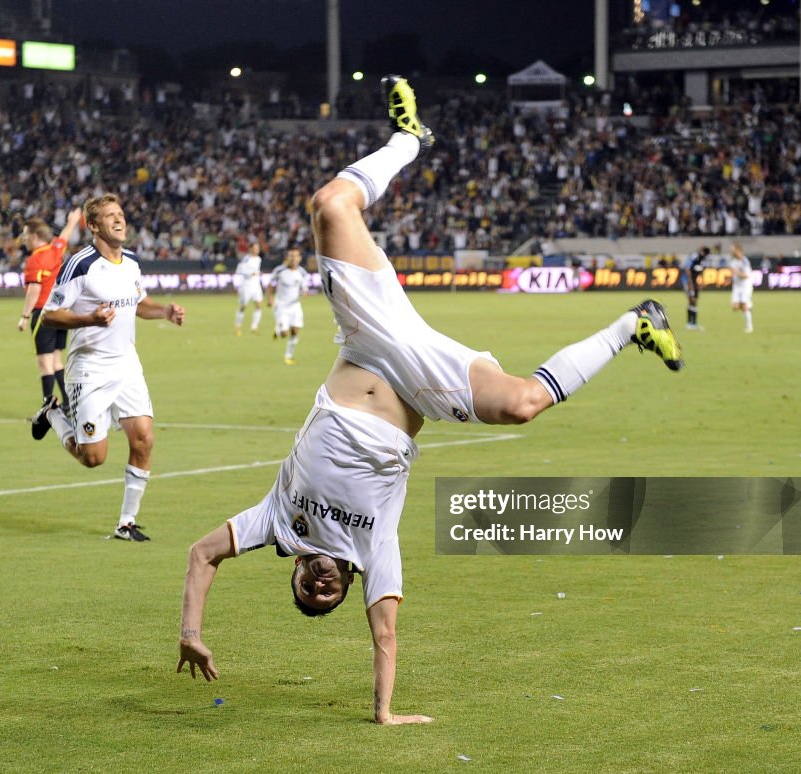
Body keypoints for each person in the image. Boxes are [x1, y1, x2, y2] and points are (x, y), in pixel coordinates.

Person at [176, 75, 684, 724]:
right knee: (525, 403)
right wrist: (384, 713)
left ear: (296, 573)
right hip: (423, 383)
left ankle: (407, 140)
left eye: (309, 590)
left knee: (329, 205)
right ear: (347, 589)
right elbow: (385, 636)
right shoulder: (373, 549)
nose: (322, 589)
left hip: (368, 342)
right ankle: (632, 325)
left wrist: (192, 629)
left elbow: (201, 555)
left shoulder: (276, 522)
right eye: (329, 599)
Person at [30, 194, 186, 542]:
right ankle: (53, 415)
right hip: (90, 368)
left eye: (121, 214)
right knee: (93, 458)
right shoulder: (80, 264)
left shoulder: (130, 261)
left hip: (126, 364)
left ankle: (126, 523)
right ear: (94, 225)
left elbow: (139, 302)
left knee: (144, 437)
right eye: (110, 216)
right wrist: (90, 319)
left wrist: (164, 312)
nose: (119, 220)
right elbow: (49, 315)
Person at [18, 207, 83, 415]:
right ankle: (68, 403)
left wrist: (24, 316)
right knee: (56, 360)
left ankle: (47, 407)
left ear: (35, 236)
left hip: (43, 314)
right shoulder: (55, 249)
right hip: (61, 311)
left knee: (44, 363)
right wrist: (73, 220)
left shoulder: (35, 260)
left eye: (26, 234)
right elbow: (64, 236)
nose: (23, 239)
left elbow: (34, 290)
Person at [267, 246, 310, 364]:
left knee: (295, 331)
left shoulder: (302, 272)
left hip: (295, 306)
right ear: (287, 257)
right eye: (291, 256)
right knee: (284, 334)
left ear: (299, 258)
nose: (293, 258)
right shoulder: (279, 270)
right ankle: (278, 329)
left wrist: (305, 292)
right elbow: (270, 285)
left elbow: (304, 287)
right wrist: (270, 299)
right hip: (281, 306)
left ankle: (289, 356)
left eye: (295, 256)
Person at [233, 242, 264, 335]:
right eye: (255, 247)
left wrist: (258, 273)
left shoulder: (259, 259)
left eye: (258, 247)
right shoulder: (246, 258)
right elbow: (239, 270)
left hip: (256, 285)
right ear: (250, 249)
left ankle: (254, 327)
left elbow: (255, 270)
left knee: (259, 305)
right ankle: (237, 326)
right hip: (246, 285)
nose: (257, 249)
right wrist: (250, 274)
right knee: (243, 307)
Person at [729, 243, 753, 333]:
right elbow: (733, 274)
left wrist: (736, 272)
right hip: (737, 286)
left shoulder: (744, 261)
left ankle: (749, 326)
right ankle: (748, 306)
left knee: (744, 305)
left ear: (738, 251)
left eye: (733, 249)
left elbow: (746, 276)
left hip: (745, 286)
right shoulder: (733, 262)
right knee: (735, 307)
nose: (731, 251)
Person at [685, 246, 708, 330]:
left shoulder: (702, 260)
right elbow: (687, 269)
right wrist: (690, 282)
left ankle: (692, 323)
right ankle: (690, 323)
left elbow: (701, 271)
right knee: (692, 301)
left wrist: (701, 281)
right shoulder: (694, 257)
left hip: (695, 283)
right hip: (690, 282)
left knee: (694, 302)